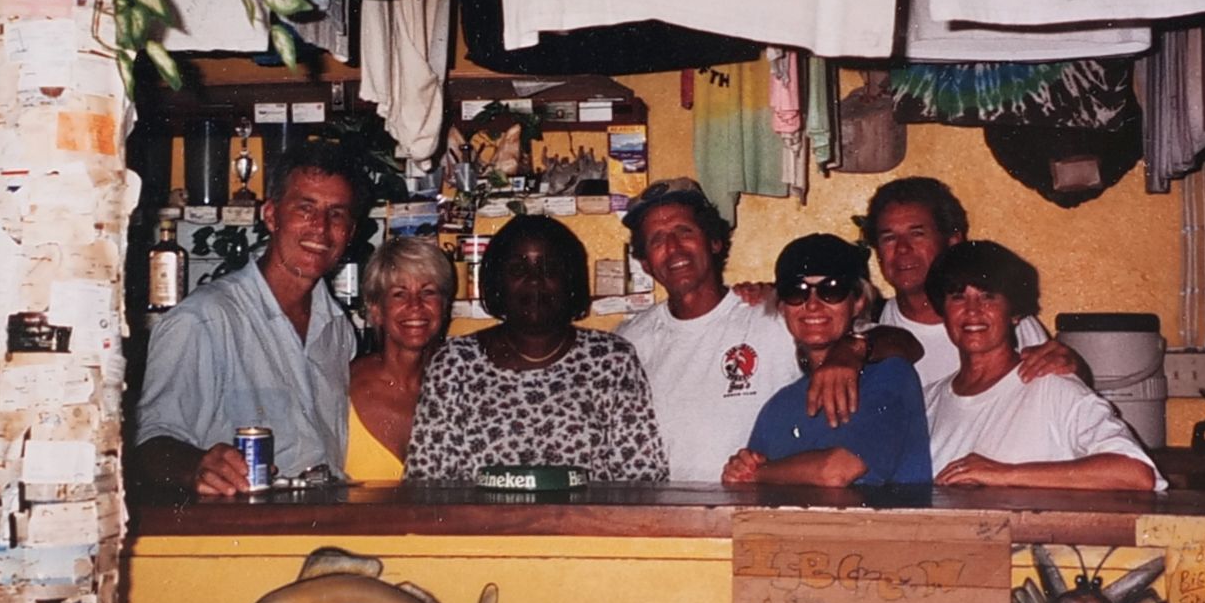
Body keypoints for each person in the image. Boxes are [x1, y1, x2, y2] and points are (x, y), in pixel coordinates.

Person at [133, 141, 370, 496]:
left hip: (326, 520)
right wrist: (196, 465)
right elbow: (150, 444)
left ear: (349, 232)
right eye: (305, 208)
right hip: (245, 526)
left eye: (336, 214)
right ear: (271, 215)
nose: (320, 228)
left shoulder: (339, 330)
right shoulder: (204, 320)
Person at [616, 178, 882, 480]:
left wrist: (850, 350)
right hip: (662, 508)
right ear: (645, 264)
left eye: (684, 231)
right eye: (657, 240)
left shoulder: (772, 314)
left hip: (757, 506)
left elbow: (898, 341)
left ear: (714, 241)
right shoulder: (628, 341)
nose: (674, 248)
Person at [404, 215, 668, 481]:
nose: (534, 281)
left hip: (589, 512)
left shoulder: (611, 360)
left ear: (571, 279)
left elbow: (641, 479)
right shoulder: (455, 364)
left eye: (550, 269)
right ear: (497, 281)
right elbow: (426, 484)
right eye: (518, 270)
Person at [922, 241, 1162, 491]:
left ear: (1014, 313)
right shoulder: (928, 401)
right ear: (943, 312)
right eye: (958, 297)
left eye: (988, 297)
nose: (972, 311)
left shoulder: (1052, 386)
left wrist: (1005, 473)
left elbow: (1136, 473)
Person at [723, 235, 930, 488]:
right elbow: (749, 492)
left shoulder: (890, 376)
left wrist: (758, 473)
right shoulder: (778, 406)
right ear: (782, 307)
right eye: (796, 291)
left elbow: (836, 471)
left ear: (858, 302)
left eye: (832, 290)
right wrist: (741, 468)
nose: (812, 305)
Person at [862, 177, 1079, 388]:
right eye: (889, 238)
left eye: (917, 234)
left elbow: (1060, 386)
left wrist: (1073, 367)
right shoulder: (869, 324)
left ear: (953, 241)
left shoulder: (1004, 319)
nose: (902, 248)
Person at [346, 235, 456, 482]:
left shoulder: (460, 388)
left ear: (444, 306)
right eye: (399, 294)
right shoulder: (341, 386)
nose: (415, 305)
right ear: (376, 310)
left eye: (428, 292)